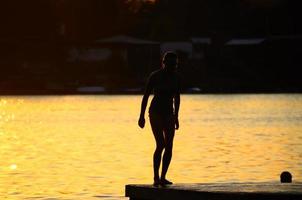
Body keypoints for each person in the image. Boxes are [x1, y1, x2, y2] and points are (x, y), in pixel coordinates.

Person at [138, 52, 181, 186]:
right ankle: (156, 177)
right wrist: (141, 116)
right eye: (170, 64)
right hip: (155, 112)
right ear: (164, 63)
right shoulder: (155, 76)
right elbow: (145, 96)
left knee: (169, 145)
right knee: (161, 144)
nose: (173, 66)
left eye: (175, 64)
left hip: (169, 113)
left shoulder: (176, 77)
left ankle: (163, 177)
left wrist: (176, 116)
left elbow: (177, 97)